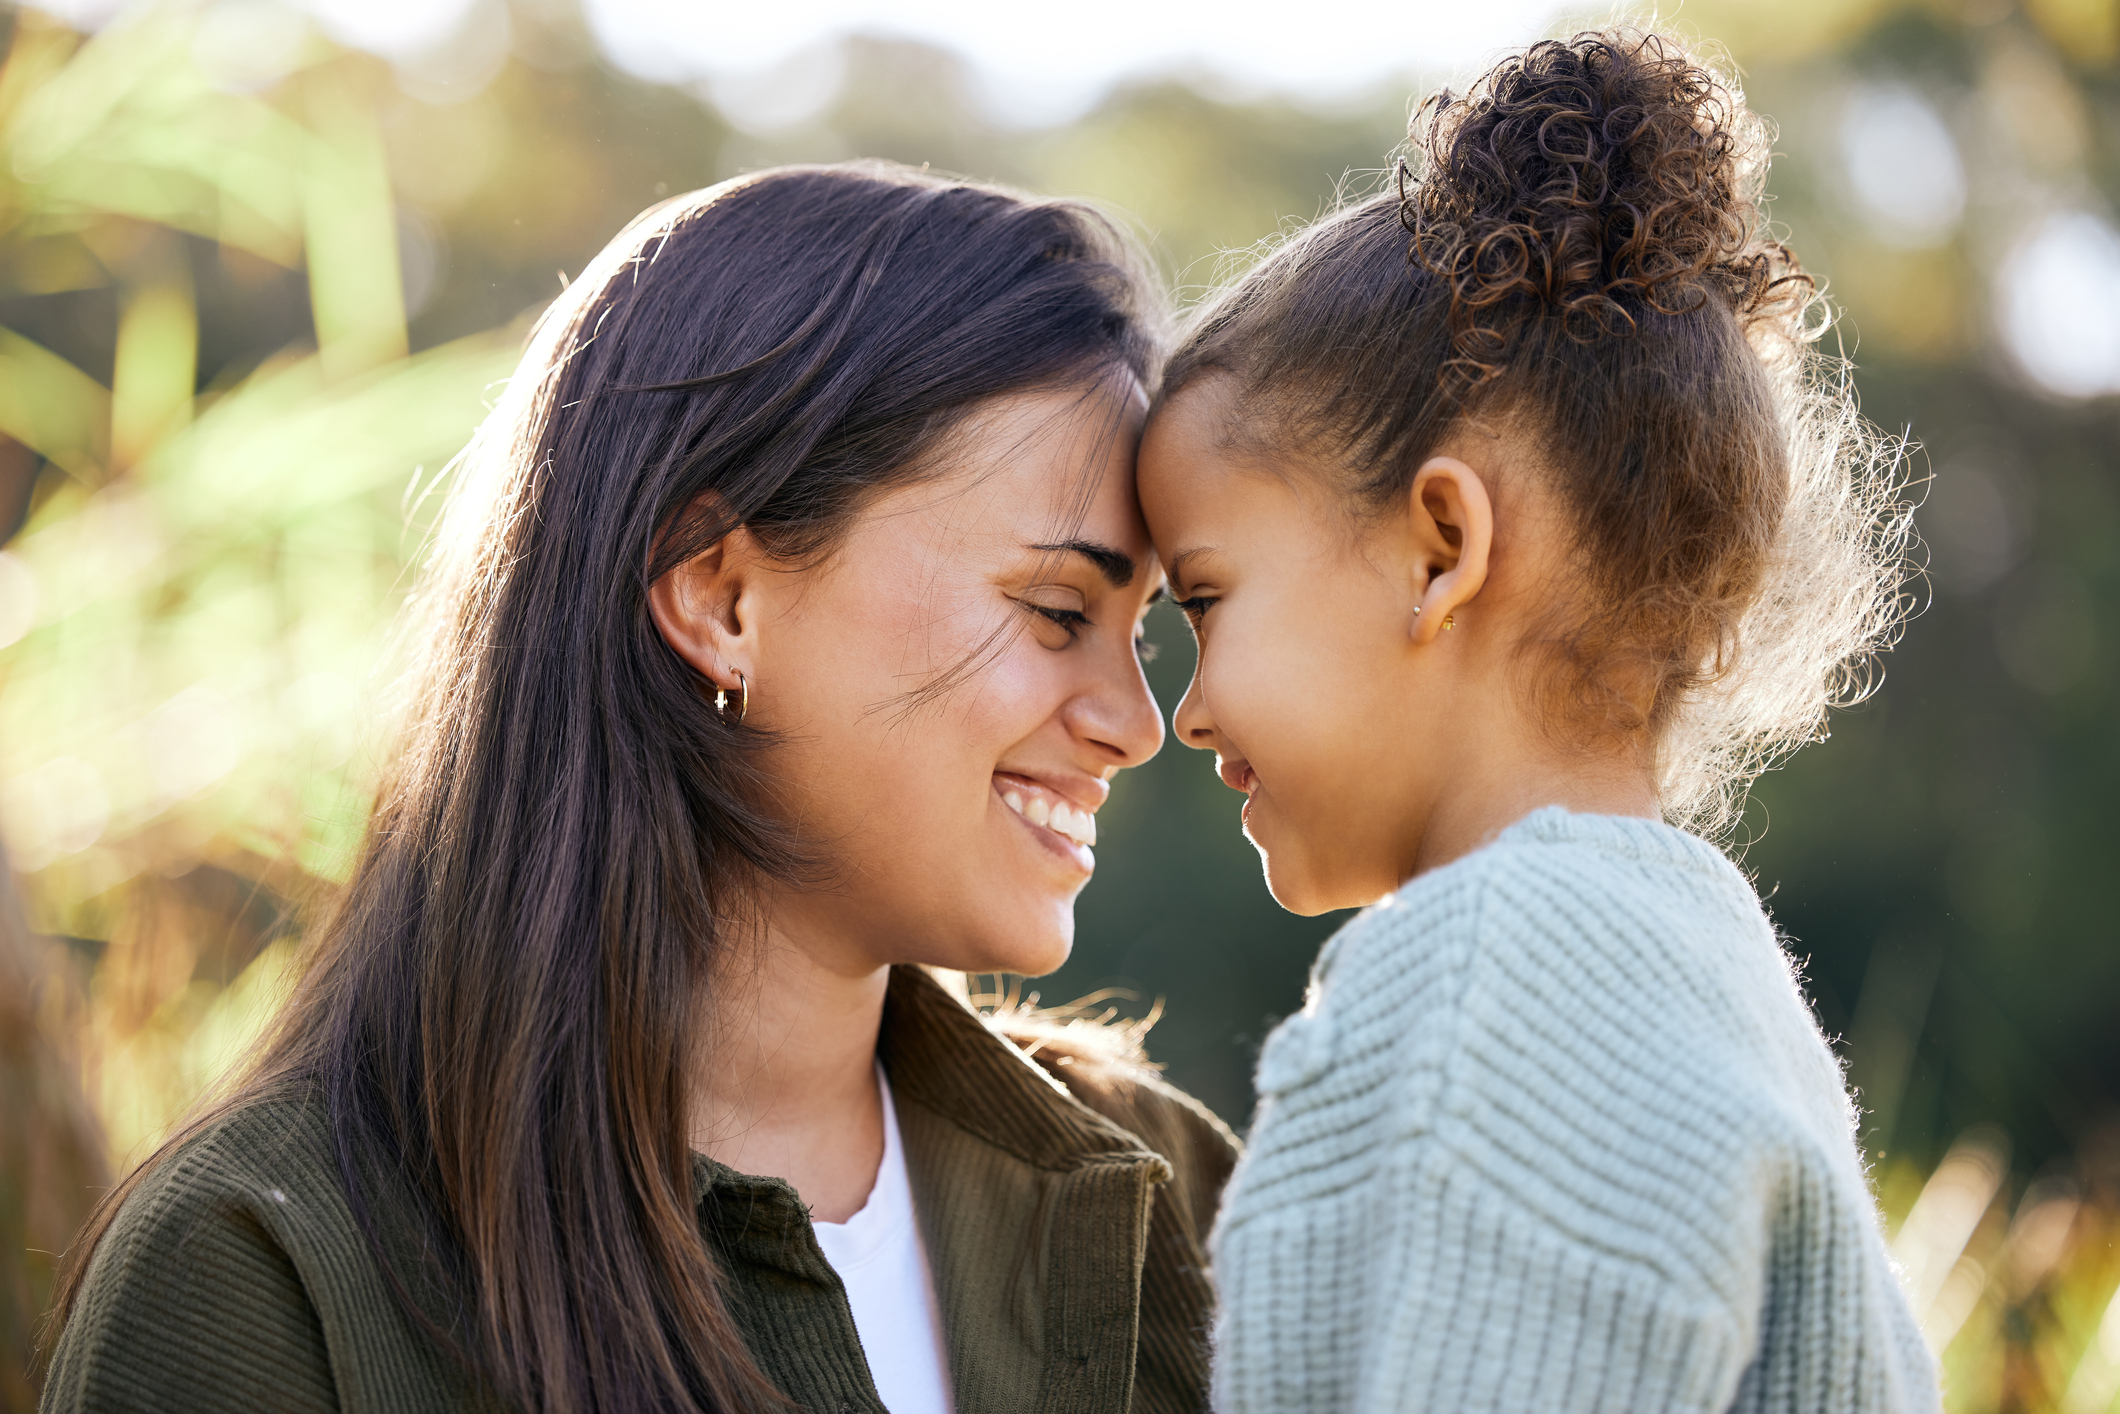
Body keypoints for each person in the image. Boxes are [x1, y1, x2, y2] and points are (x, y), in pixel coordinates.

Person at [43, 162, 1237, 1414]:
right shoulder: (264, 1273)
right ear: (720, 596)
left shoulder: (1167, 1190)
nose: (1133, 725)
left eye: (1140, 631)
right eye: (1055, 611)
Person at [1137, 29, 1938, 1414]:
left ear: (1441, 544)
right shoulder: (1694, 959)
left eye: (1206, 598)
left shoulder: (1506, 980)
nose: (1184, 710)